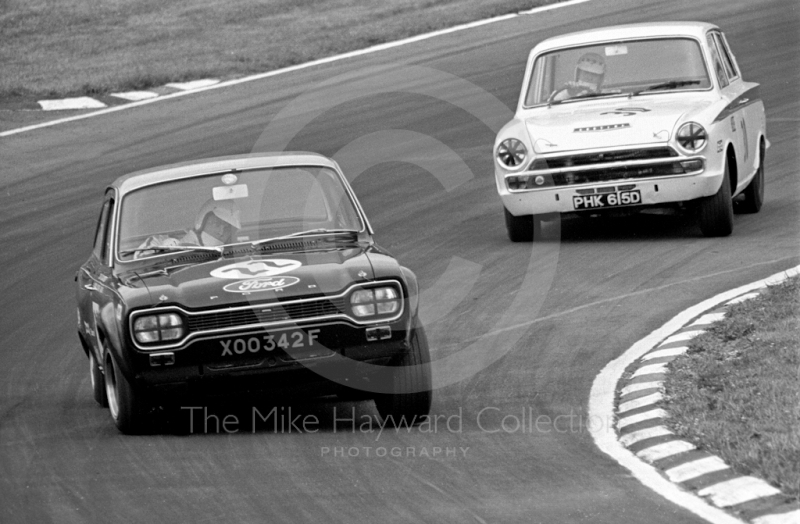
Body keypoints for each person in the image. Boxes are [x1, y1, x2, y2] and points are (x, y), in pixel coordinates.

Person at [134, 198, 241, 257]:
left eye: (227, 228)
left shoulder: (233, 254)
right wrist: (162, 251)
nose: (221, 231)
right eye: (216, 223)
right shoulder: (158, 241)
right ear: (202, 220)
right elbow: (140, 261)